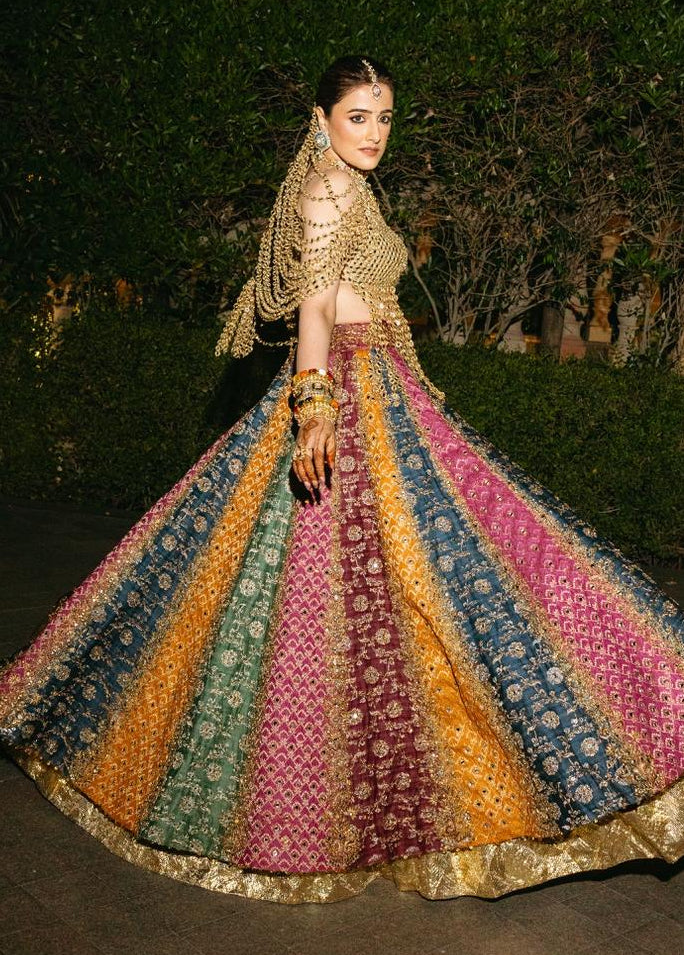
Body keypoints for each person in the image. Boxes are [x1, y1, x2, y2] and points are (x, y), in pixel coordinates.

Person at [1, 55, 683, 907]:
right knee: (431, 575)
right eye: (358, 115)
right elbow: (317, 308)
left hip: (384, 387)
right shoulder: (328, 191)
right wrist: (316, 407)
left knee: (420, 581)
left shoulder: (347, 185)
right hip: (352, 393)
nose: (375, 133)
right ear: (319, 118)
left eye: (385, 117)